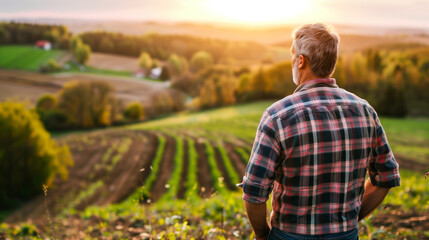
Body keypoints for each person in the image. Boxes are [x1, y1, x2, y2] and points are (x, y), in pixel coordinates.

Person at [238, 23, 401, 240]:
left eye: (293, 55)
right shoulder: (365, 111)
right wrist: (350, 219)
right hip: (346, 235)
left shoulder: (278, 116)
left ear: (301, 61)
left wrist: (262, 235)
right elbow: (386, 176)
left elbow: (254, 191)